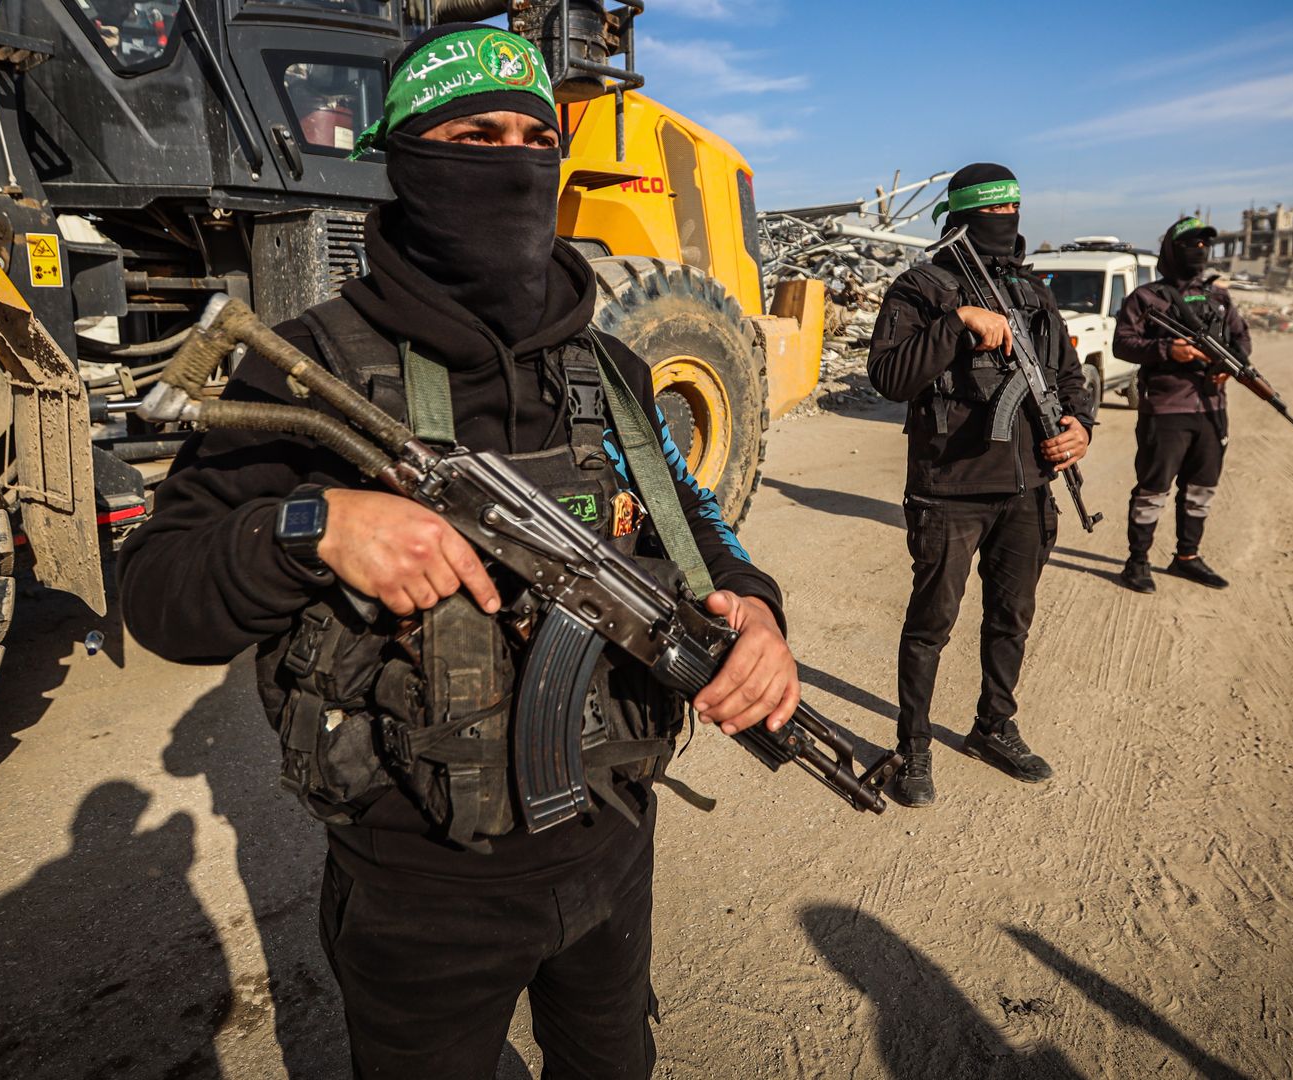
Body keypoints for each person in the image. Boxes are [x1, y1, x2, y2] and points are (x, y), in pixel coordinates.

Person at [117, 25, 798, 1078]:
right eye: (477, 134)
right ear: (409, 160)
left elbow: (692, 522)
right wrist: (317, 528)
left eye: (534, 137)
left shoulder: (609, 368)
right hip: (420, 883)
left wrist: (753, 606)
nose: (515, 161)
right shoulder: (307, 366)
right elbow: (160, 595)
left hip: (614, 841)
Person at [865, 163, 1094, 808]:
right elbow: (889, 376)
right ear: (966, 215)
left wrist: (1080, 430)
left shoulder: (1034, 291)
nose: (1005, 222)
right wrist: (956, 322)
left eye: (1012, 209)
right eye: (994, 211)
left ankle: (994, 725)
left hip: (1027, 491)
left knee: (1011, 619)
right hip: (950, 489)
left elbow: (1067, 378)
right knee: (931, 624)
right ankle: (912, 747)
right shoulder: (922, 288)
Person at [1111, 216, 1250, 593]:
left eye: (1205, 245)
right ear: (1173, 249)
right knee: (1153, 489)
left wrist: (1229, 369)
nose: (1199, 251)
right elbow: (1122, 344)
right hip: (1165, 410)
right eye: (1191, 244)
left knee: (1202, 487)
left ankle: (1187, 557)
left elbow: (1241, 341)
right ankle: (1136, 562)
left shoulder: (1218, 297)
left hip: (1211, 411)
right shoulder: (1146, 298)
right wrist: (1166, 349)